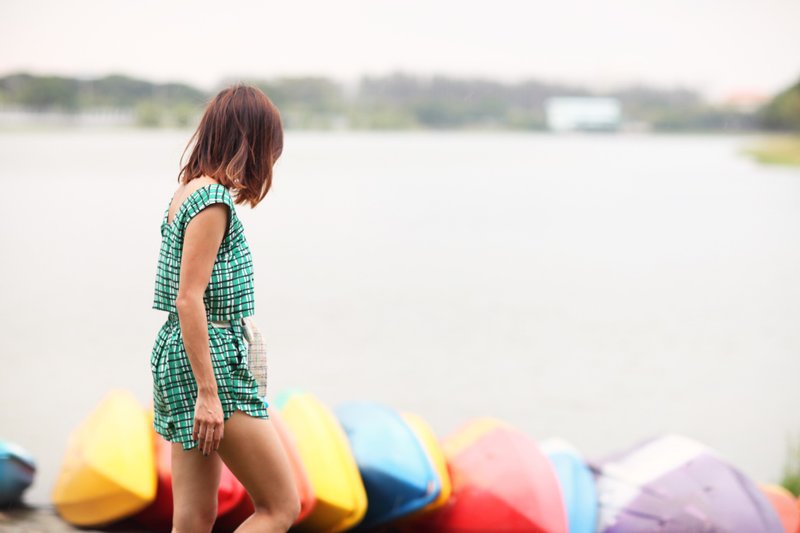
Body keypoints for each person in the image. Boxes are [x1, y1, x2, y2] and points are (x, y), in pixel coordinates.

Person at [149, 83, 300, 533]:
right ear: (251, 142)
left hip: (180, 352)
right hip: (209, 357)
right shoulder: (212, 202)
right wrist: (208, 393)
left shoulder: (187, 191)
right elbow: (189, 298)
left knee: (194, 517)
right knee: (280, 507)